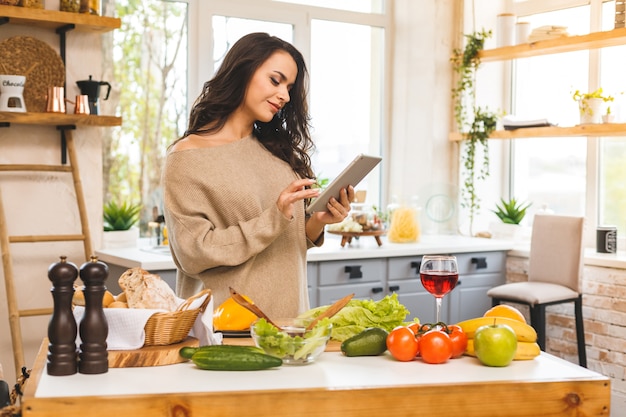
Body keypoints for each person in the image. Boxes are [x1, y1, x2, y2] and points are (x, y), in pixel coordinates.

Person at [162, 32, 354, 318]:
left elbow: (286, 241)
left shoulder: (276, 153)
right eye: (275, 80)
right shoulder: (187, 158)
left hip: (291, 325)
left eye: (289, 87)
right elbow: (194, 252)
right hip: (226, 333)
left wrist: (316, 223)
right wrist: (274, 217)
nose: (284, 95)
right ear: (243, 70)